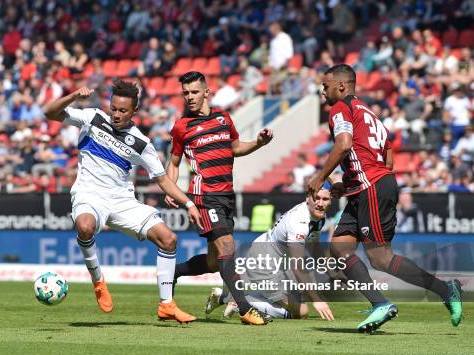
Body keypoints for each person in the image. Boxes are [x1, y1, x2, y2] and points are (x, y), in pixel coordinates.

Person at [308, 64, 462, 333]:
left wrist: (321, 177)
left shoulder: (341, 108)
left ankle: (444, 289)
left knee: (380, 257)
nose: (322, 91)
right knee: (340, 248)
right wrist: (350, 182)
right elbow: (387, 160)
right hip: (367, 185)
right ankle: (380, 303)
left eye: (326, 85)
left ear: (341, 86)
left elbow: (344, 145)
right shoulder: (372, 115)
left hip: (371, 187)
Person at [43, 80, 202, 323]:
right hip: (89, 192)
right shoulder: (92, 117)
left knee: (168, 239)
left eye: (122, 111)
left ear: (134, 112)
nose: (116, 115)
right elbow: (49, 112)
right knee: (84, 226)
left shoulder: (141, 143)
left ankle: (167, 304)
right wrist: (74, 94)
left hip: (121, 199)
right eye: (113, 109)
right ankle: (98, 280)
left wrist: (189, 204)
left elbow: (163, 180)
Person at [166, 71, 274, 325]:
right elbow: (174, 162)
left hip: (226, 195)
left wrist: (258, 142)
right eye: (185, 93)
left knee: (216, 262)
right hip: (205, 196)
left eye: (194, 92)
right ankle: (246, 309)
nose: (189, 97)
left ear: (206, 92)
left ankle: (173, 272)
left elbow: (235, 148)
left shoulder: (224, 118)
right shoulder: (182, 126)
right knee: (228, 249)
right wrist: (171, 188)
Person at [207, 185, 336, 322]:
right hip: (264, 261)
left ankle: (230, 297)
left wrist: (329, 270)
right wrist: (317, 300)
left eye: (325, 199)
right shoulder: (299, 222)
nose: (320, 203)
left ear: (331, 200)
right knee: (301, 312)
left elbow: (314, 247)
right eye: (316, 198)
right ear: (308, 198)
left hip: (277, 262)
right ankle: (235, 301)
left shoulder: (318, 218)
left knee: (302, 293)